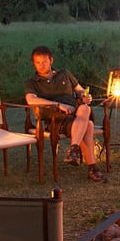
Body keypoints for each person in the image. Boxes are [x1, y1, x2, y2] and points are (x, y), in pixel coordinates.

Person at [24, 45, 105, 183]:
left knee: (85, 108)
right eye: (37, 62)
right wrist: (58, 105)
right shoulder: (32, 82)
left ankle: (74, 150)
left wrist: (86, 96)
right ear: (34, 64)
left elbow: (80, 91)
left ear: (51, 60)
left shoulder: (65, 74)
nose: (41, 65)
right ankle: (92, 167)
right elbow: (31, 99)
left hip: (75, 114)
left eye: (44, 61)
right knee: (89, 125)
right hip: (56, 120)